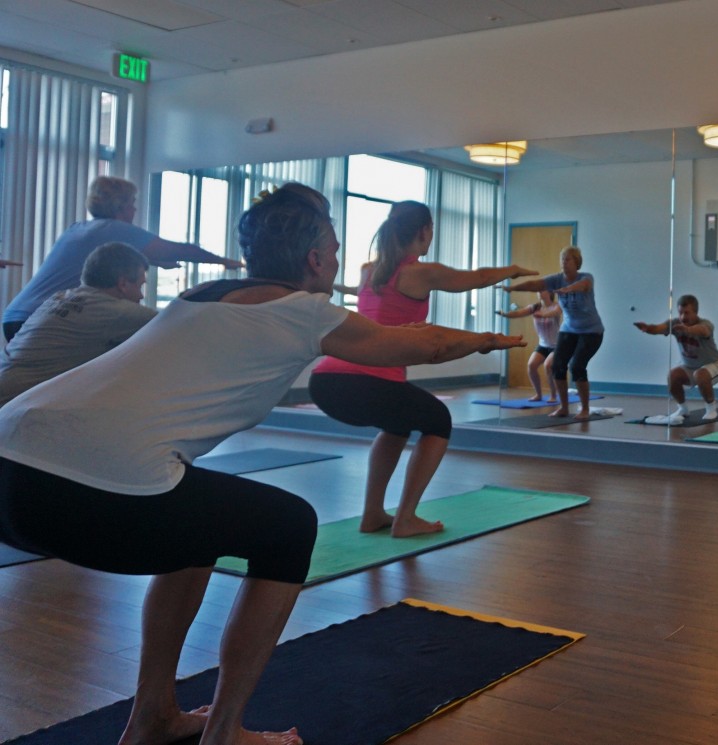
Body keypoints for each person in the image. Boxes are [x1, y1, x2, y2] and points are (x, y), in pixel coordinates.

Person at [0, 183, 523, 745]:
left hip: (8, 465)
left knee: (200, 529)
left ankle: (154, 717)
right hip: (89, 490)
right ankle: (224, 733)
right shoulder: (304, 311)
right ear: (316, 260)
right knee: (290, 525)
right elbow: (424, 345)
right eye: (336, 247)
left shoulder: (201, 293)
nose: (341, 258)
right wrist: (493, 338)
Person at [309, 200, 536, 538]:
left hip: (326, 380)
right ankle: (406, 518)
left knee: (398, 427)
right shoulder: (419, 272)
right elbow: (478, 278)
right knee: (438, 421)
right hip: (365, 380)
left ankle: (372, 514)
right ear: (424, 231)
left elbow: (368, 302)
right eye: (431, 231)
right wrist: (513, 269)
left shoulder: (369, 269)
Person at [2, 176, 243, 342]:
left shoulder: (79, 228)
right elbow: (180, 250)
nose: (135, 210)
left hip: (19, 315)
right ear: (121, 205)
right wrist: (225, 261)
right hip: (43, 319)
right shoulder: (116, 228)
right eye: (133, 203)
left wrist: (157, 261)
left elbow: (107, 256)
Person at [0, 242, 157, 406]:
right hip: (14, 408)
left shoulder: (60, 297)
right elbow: (176, 324)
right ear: (123, 284)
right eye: (140, 286)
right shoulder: (116, 311)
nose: (140, 296)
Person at [503, 246, 604, 419]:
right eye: (562, 260)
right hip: (569, 329)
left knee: (577, 366)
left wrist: (569, 289)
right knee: (557, 366)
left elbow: (583, 286)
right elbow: (535, 284)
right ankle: (563, 407)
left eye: (568, 260)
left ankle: (585, 409)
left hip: (591, 331)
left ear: (577, 262)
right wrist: (513, 288)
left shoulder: (586, 277)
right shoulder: (556, 280)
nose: (564, 263)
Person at [634, 294, 718, 421]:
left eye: (687, 313)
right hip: (690, 366)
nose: (683, 317)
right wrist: (648, 328)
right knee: (672, 376)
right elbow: (659, 328)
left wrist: (688, 330)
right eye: (681, 313)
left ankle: (711, 409)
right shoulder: (675, 323)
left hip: (714, 365)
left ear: (696, 312)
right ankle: (683, 409)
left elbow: (703, 331)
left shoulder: (705, 324)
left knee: (700, 374)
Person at [497, 290, 562, 401]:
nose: (539, 292)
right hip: (543, 345)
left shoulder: (557, 306)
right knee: (531, 366)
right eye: (538, 290)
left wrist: (543, 314)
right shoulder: (534, 307)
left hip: (557, 345)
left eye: (542, 290)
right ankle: (539, 395)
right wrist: (505, 314)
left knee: (548, 366)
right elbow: (518, 313)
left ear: (550, 292)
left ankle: (553, 395)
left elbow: (555, 313)